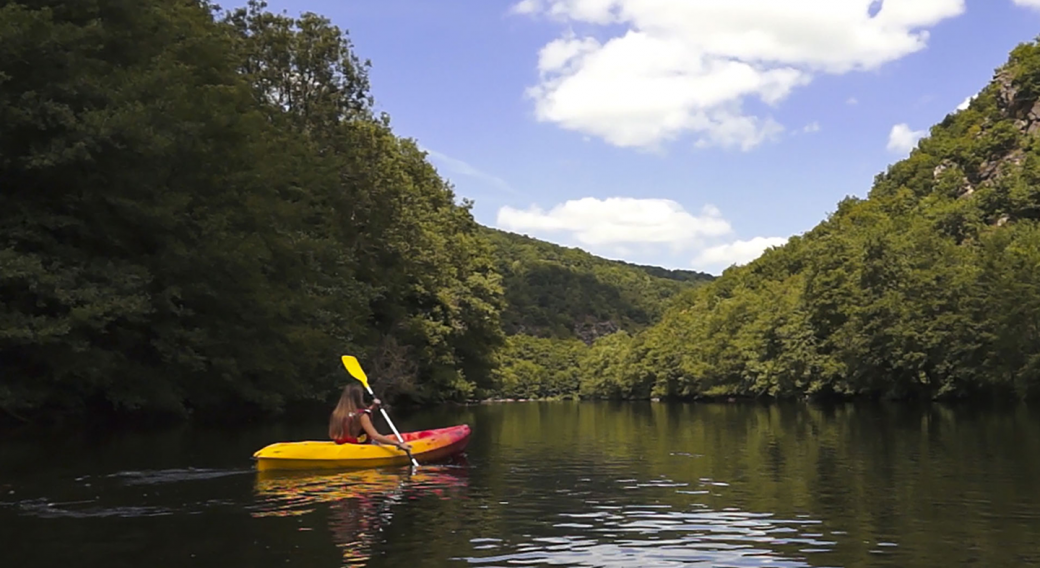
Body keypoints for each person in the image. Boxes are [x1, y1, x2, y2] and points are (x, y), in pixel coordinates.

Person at [329, 383, 411, 451]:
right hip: (360, 448)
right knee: (377, 441)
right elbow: (375, 436)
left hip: (343, 446)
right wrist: (398, 444)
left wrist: (373, 406)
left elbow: (354, 416)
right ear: (359, 397)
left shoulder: (337, 413)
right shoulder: (362, 415)